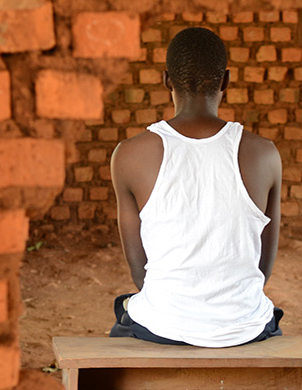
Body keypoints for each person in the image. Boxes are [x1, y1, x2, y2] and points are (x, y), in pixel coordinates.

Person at [109, 27, 282, 348]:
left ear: (166, 81)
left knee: (127, 310)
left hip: (163, 325)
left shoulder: (129, 154)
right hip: (245, 326)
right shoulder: (264, 153)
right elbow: (263, 265)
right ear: (226, 81)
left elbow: (139, 269)